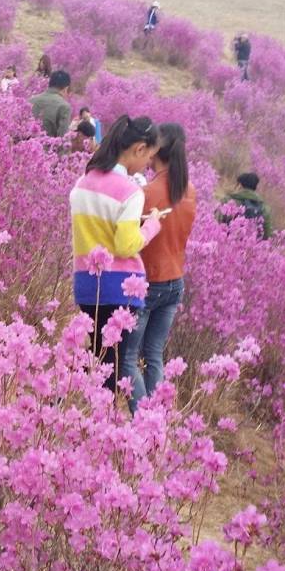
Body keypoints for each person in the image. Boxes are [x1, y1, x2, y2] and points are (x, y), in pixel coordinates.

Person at [70, 115, 162, 391]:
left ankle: (74, 414)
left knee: (95, 355)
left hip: (86, 284)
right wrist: (152, 226)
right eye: (149, 158)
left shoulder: (83, 183)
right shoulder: (130, 191)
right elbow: (125, 245)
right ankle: (99, 423)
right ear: (139, 149)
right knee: (112, 366)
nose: (147, 165)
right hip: (119, 287)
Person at [120, 123, 196, 412]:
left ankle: (142, 422)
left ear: (156, 152)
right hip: (175, 281)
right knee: (153, 354)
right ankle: (158, 422)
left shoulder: (147, 193)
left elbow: (132, 240)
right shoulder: (189, 190)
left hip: (148, 282)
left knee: (127, 357)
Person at [220, 172, 272, 239]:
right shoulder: (264, 207)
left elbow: (216, 223)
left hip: (227, 244)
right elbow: (268, 235)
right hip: (252, 247)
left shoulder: (228, 201)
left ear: (240, 185)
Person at [32, 70, 72, 139]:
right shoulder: (64, 106)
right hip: (48, 148)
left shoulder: (31, 100)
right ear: (66, 88)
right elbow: (63, 139)